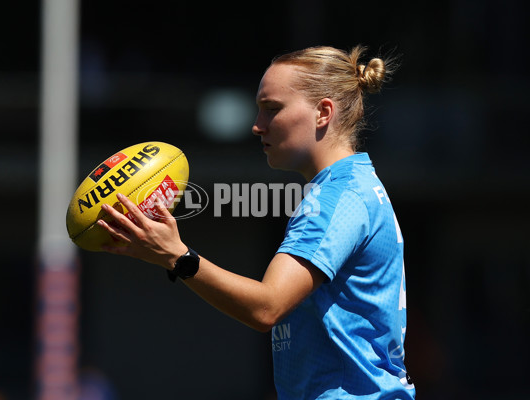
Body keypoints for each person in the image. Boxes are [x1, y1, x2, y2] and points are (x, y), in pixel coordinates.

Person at [97, 45, 416, 400]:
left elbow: (268, 307)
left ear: (323, 112)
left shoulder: (337, 198)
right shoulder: (355, 186)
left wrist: (179, 257)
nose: (257, 125)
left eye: (272, 109)